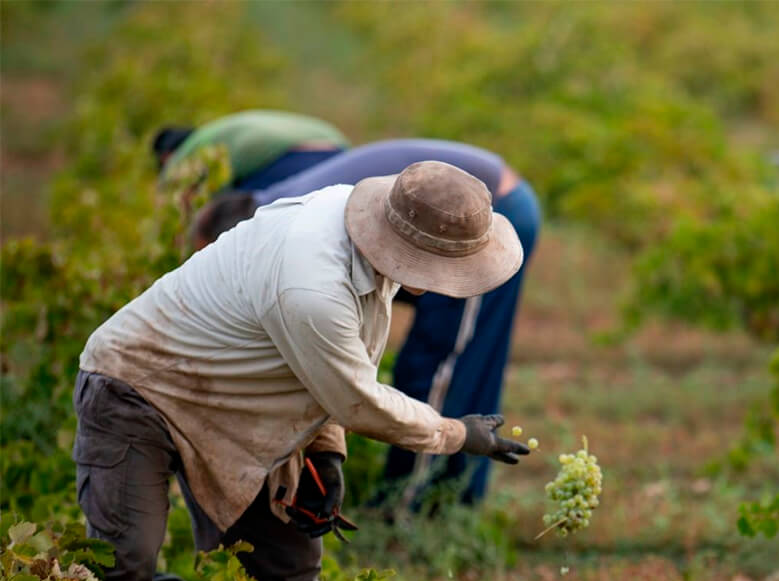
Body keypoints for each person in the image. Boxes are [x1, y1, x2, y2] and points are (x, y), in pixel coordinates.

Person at [73, 161, 530, 581]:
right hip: (138, 387)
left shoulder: (368, 234)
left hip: (245, 404)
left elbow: (339, 368)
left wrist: (325, 453)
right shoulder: (314, 288)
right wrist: (456, 433)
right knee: (122, 574)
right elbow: (359, 401)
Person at [190, 139, 541, 508]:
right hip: (461, 208)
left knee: (440, 364)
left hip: (483, 215)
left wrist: (455, 434)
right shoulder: (275, 214)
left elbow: (352, 390)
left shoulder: (292, 242)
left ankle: (409, 507)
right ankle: (446, 493)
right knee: (448, 360)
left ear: (224, 239)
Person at [152, 109, 349, 190]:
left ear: (166, 156)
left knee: (238, 210)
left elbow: (168, 186)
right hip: (339, 151)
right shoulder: (221, 129)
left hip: (296, 158)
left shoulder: (187, 151)